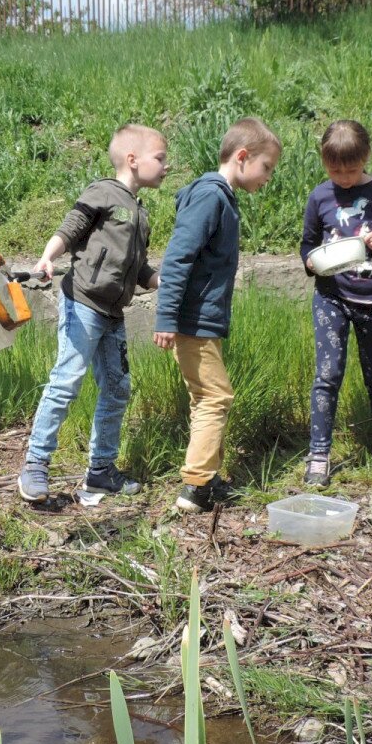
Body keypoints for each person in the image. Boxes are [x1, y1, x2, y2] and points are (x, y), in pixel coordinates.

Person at [17, 124, 169, 504]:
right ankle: (35, 464)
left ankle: (100, 471)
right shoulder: (102, 192)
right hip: (83, 303)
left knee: (117, 389)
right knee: (66, 381)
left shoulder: (141, 213)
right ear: (132, 160)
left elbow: (139, 270)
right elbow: (70, 229)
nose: (167, 166)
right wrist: (47, 257)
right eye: (160, 158)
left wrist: (165, 282)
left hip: (113, 314)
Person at [154, 118, 281, 513]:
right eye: (266, 167)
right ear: (242, 157)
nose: (268, 178)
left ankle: (207, 479)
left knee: (204, 396)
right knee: (215, 396)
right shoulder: (211, 197)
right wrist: (166, 317)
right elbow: (178, 257)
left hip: (202, 319)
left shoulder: (220, 198)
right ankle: (195, 486)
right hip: (193, 320)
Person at [298, 119, 372, 488]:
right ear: (324, 163)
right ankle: (319, 454)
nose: (344, 179)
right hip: (331, 298)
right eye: (335, 171)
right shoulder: (320, 197)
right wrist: (309, 262)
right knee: (327, 376)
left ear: (366, 158)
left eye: (351, 170)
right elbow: (307, 244)